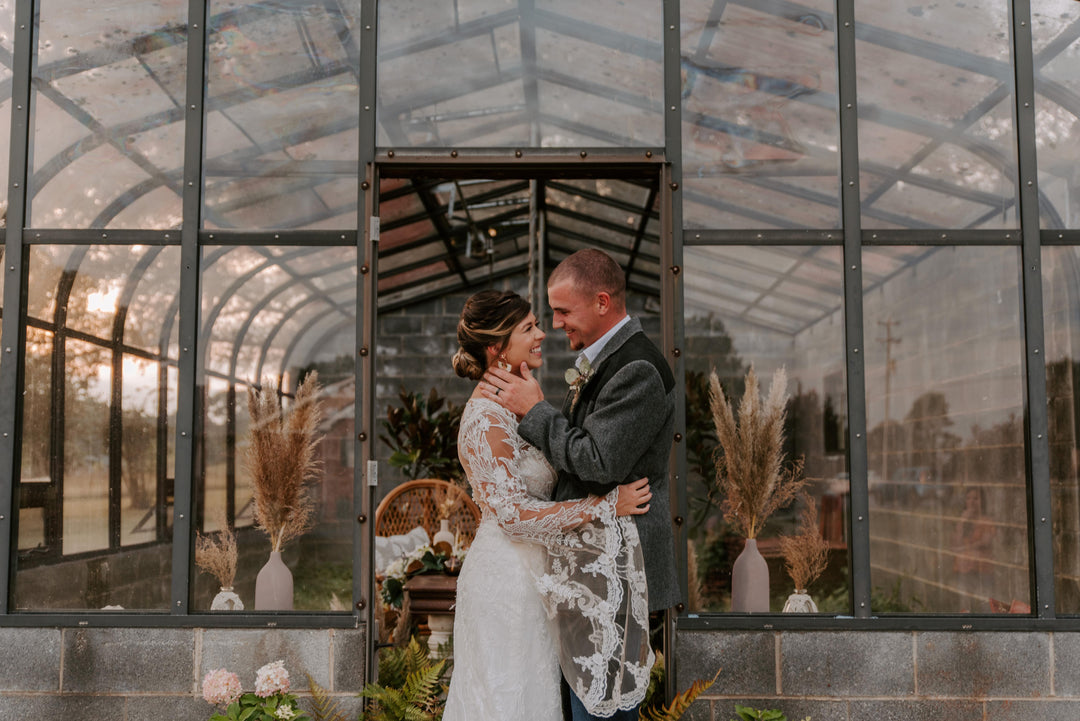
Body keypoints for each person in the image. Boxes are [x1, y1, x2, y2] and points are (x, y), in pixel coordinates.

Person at [483, 248, 681, 721]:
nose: (554, 324)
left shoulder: (637, 368)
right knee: (585, 702)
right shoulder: (605, 359)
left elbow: (597, 461)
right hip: (592, 561)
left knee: (602, 706)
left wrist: (534, 412)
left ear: (603, 302)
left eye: (563, 311)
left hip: (617, 564)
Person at [443, 289, 655, 721]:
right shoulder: (485, 419)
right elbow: (515, 518)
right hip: (507, 583)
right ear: (494, 348)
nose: (542, 334)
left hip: (538, 581)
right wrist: (606, 505)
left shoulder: (518, 406)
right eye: (529, 328)